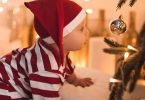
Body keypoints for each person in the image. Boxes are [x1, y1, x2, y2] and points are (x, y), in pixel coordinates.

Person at [0, 0, 93, 99]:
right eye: (81, 29)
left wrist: (75, 80)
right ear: (61, 37)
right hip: (4, 85)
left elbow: (66, 66)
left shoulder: (56, 50)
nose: (87, 32)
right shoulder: (46, 68)